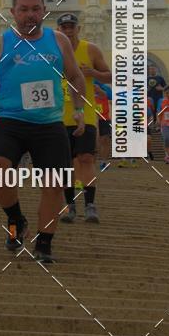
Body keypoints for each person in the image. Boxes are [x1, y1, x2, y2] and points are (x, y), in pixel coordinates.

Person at [0, 0, 86, 264]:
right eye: (24, 10)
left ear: (44, 11)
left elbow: (75, 76)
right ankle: (16, 220)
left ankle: (44, 244)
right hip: (10, 120)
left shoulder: (58, 40)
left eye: (35, 9)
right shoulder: (2, 42)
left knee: (55, 182)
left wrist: (78, 110)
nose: (30, 15)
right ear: (13, 12)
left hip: (48, 124)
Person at [56, 14, 111, 225]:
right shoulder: (52, 52)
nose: (68, 31)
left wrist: (93, 72)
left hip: (85, 114)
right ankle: (70, 206)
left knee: (86, 158)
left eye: (71, 27)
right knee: (66, 164)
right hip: (59, 116)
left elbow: (110, 76)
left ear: (78, 29)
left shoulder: (90, 49)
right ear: (58, 29)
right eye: (64, 27)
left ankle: (90, 205)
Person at [94, 81, 112, 171]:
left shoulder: (105, 87)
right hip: (92, 119)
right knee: (97, 141)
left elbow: (110, 96)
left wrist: (99, 90)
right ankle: (99, 160)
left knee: (106, 140)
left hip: (104, 119)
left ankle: (104, 161)